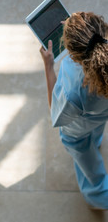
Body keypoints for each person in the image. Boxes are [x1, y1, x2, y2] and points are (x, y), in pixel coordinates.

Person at [40, 12, 108, 210]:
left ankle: (99, 198)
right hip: (101, 115)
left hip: (77, 132)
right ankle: (96, 143)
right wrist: (78, 29)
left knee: (92, 170)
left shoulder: (74, 91)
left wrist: (49, 66)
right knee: (95, 133)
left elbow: (56, 110)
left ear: (74, 55)